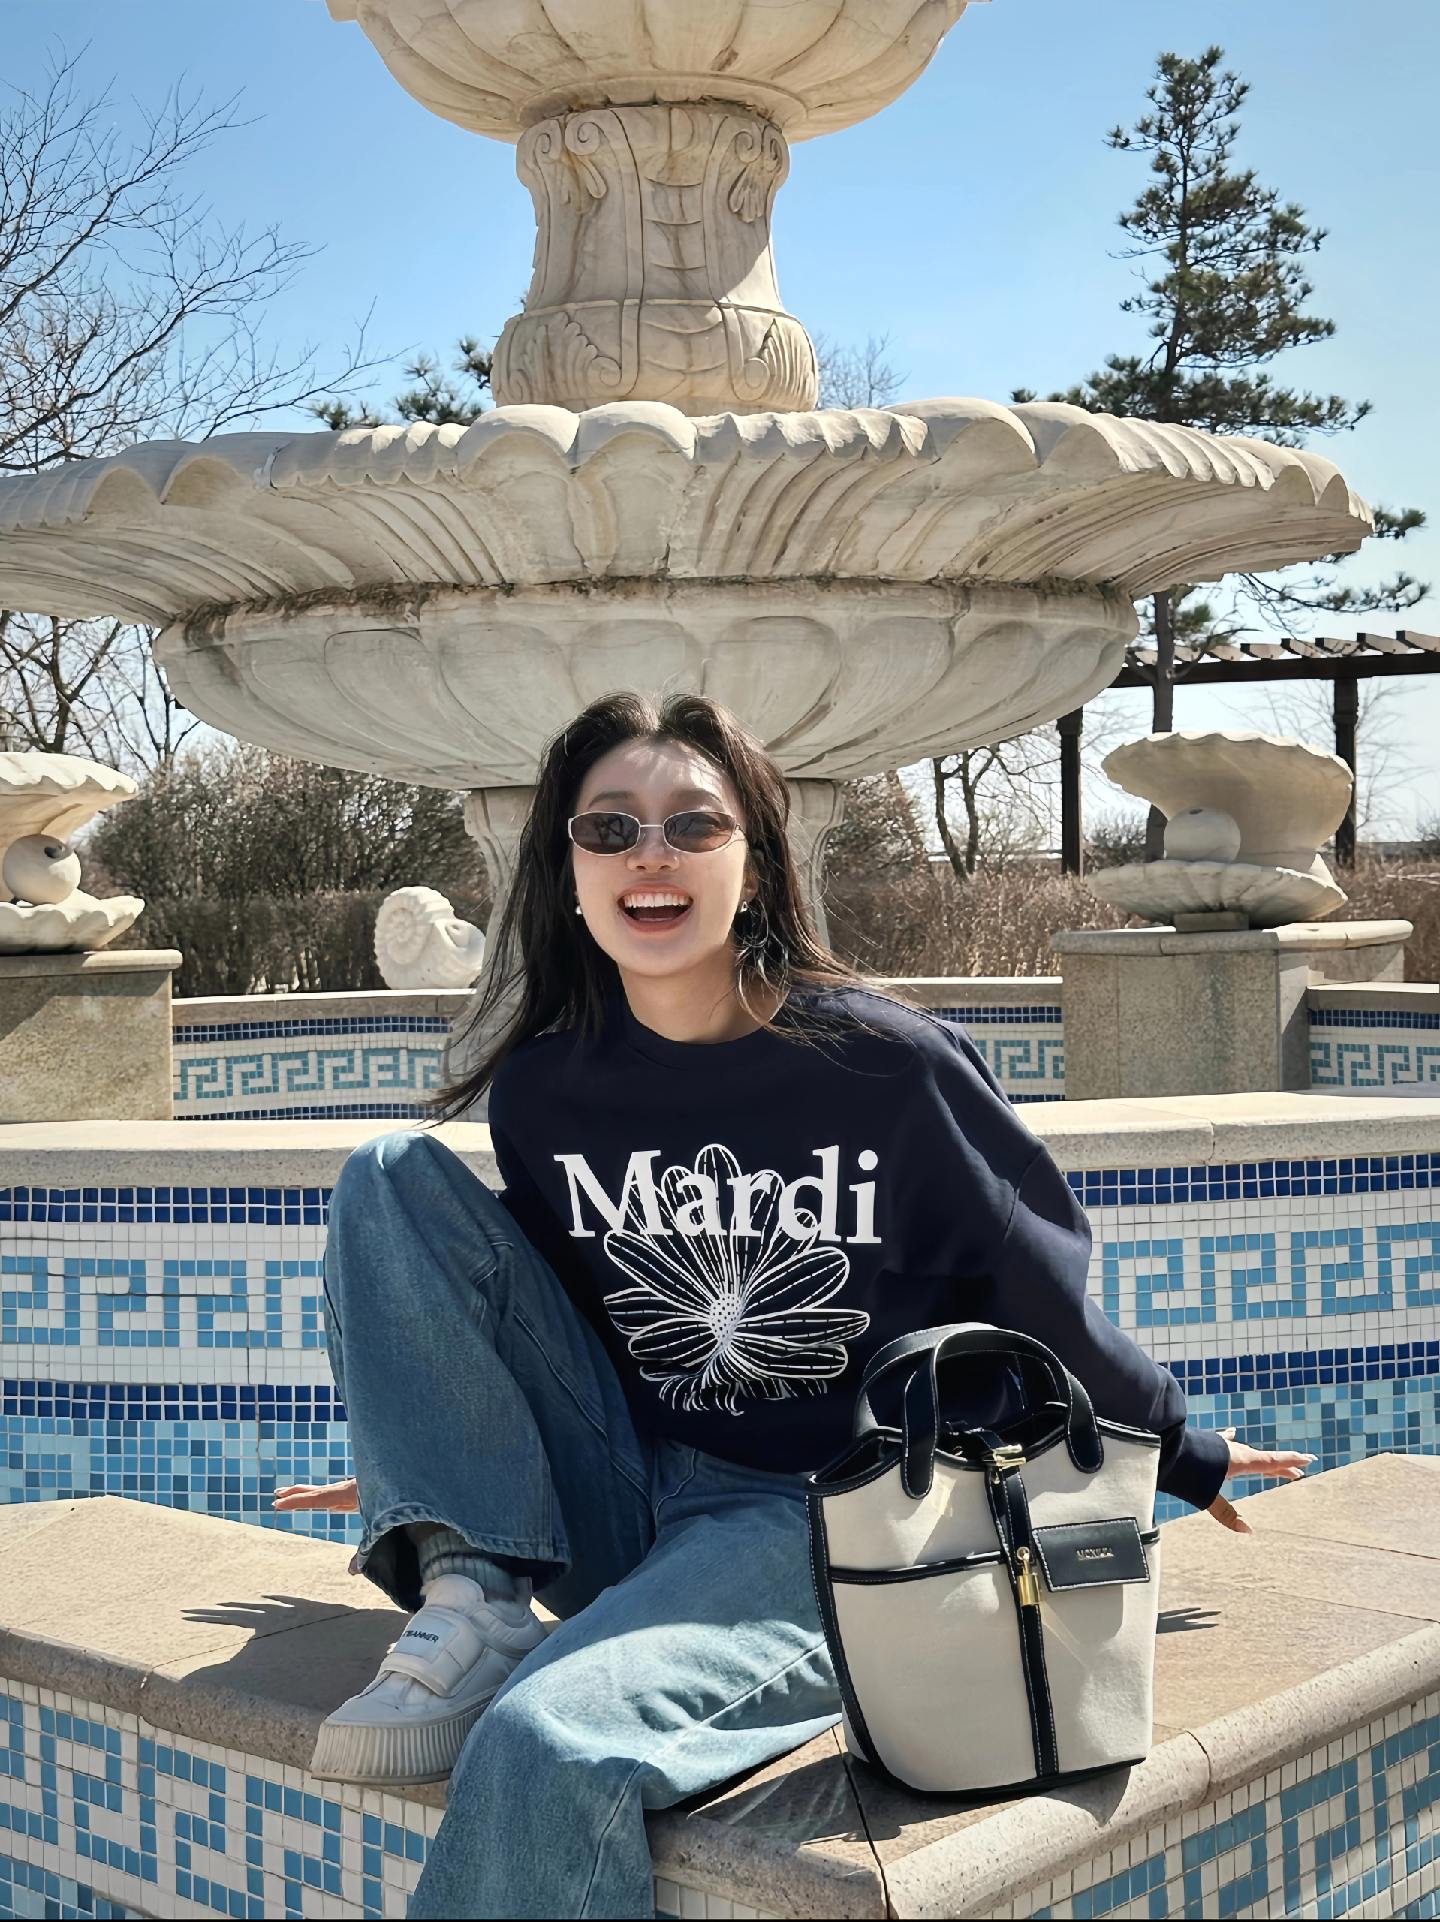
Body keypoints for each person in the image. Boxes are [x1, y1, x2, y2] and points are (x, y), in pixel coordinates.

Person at [273, 690, 1313, 1920]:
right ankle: (477, 1592)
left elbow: (1036, 1290)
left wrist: (1179, 1446)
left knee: (547, 1743)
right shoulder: (548, 1089)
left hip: (822, 1521)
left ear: (754, 865)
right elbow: (564, 1306)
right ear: (568, 871)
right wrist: (433, 1466)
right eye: (609, 828)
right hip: (636, 1484)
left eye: (691, 824)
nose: (649, 853)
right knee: (389, 1172)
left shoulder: (887, 1067)